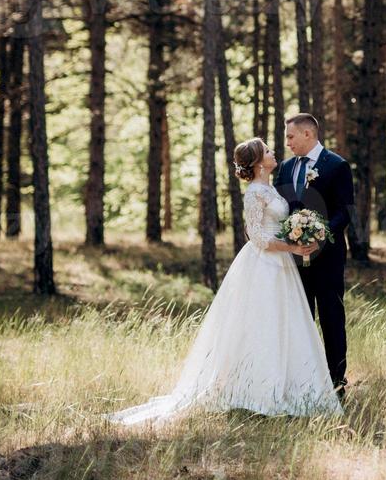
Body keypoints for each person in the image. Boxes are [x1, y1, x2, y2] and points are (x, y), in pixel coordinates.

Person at [106, 137, 343, 425]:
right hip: (263, 265)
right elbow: (256, 236)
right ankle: (255, 389)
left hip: (281, 264)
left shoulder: (269, 186)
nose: (273, 152)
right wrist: (292, 247)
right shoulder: (255, 192)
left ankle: (290, 385)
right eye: (267, 150)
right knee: (260, 324)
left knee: (283, 323)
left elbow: (266, 226)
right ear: (257, 162)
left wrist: (299, 234)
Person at [275, 113, 355, 396]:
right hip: (293, 258)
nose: (287, 143)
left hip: (328, 257)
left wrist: (319, 235)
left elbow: (344, 211)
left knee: (331, 315)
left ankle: (336, 381)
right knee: (299, 316)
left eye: (290, 137)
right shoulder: (285, 168)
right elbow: (281, 207)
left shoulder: (336, 166)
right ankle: (304, 379)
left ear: (308, 134)